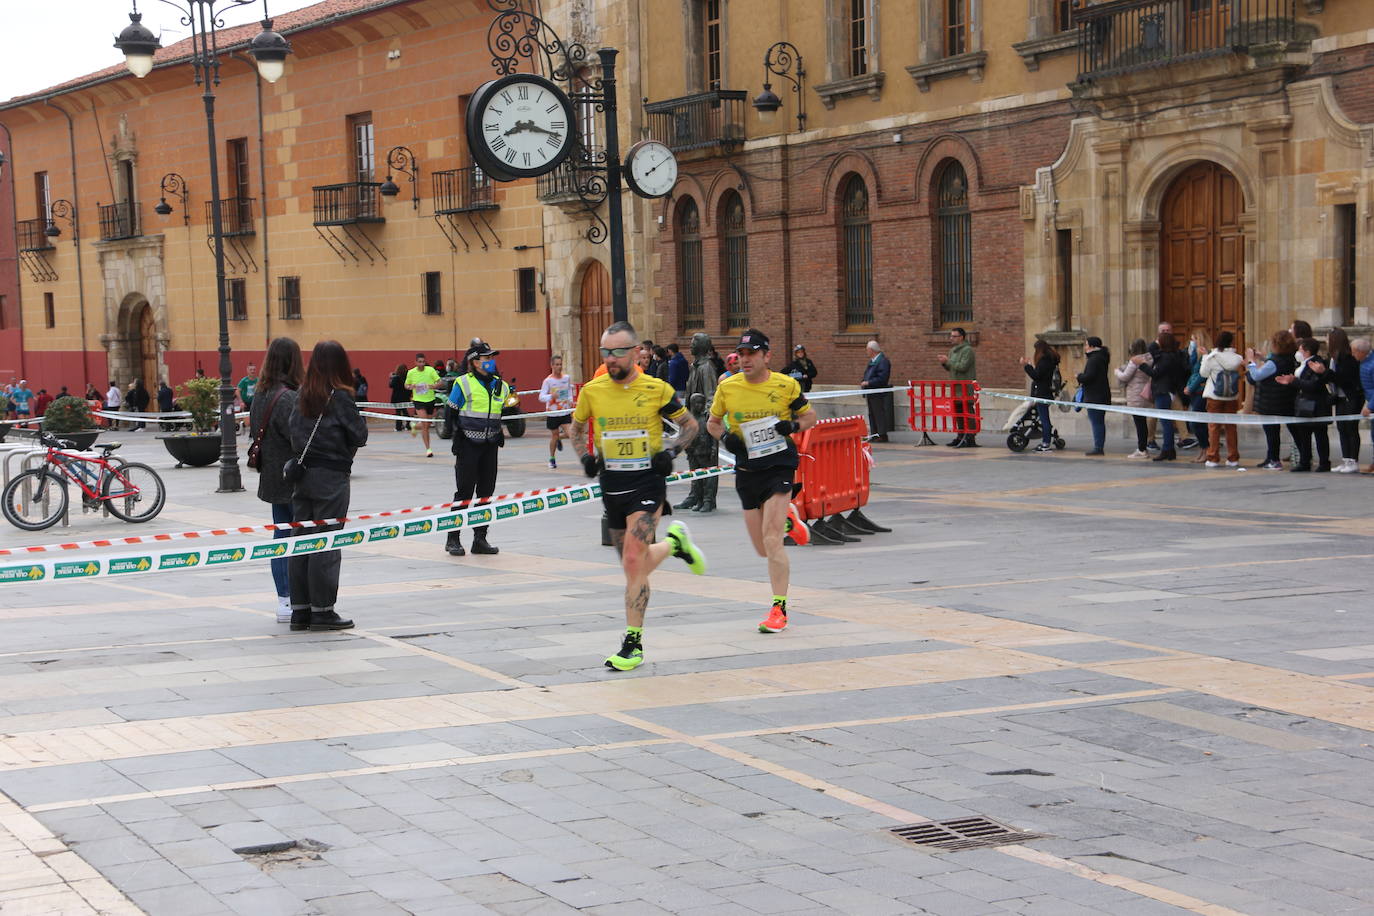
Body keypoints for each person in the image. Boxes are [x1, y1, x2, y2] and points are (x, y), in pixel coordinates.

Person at [571, 320, 706, 671]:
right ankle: (674, 546)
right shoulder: (593, 390)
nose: (611, 358)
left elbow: (691, 426)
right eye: (606, 351)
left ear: (635, 353)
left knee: (633, 561)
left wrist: (671, 452)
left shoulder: (656, 389)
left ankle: (633, 643)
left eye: (617, 351)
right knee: (635, 566)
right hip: (612, 485)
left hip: (647, 484)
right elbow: (576, 427)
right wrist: (585, 458)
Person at [710, 328, 818, 633]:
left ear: (766, 356)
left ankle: (778, 609)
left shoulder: (785, 385)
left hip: (779, 466)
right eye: (741, 354)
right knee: (761, 548)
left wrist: (791, 425)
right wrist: (728, 440)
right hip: (747, 470)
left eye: (751, 354)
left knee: (772, 542)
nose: (745, 359)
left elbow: (811, 418)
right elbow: (712, 424)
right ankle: (788, 521)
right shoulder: (728, 388)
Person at [287, 340, 367, 631]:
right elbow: (359, 435)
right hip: (331, 477)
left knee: (300, 541)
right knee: (326, 542)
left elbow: (292, 433)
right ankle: (323, 610)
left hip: (303, 475)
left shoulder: (301, 395)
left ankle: (300, 610)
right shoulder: (340, 397)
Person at [249, 337, 303, 624]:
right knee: (296, 539)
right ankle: (291, 598)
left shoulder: (261, 393)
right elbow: (299, 438)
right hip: (291, 477)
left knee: (280, 536)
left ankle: (284, 597)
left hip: (271, 474)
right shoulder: (289, 397)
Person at [443, 339, 509, 557]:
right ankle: (452, 539)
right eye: (486, 358)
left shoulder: (500, 384)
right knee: (464, 493)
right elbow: (450, 413)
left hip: (490, 445)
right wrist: (456, 438)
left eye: (492, 358)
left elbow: (505, 410)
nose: (491, 361)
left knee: (485, 494)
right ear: (474, 362)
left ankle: (480, 538)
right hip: (468, 445)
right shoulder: (463, 383)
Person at [675, 332, 721, 514]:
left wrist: (709, 423)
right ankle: (696, 494)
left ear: (702, 346)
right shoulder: (695, 366)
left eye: (694, 343)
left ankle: (708, 498)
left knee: (708, 461)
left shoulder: (706, 367)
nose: (690, 345)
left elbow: (711, 396)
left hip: (703, 423)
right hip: (691, 421)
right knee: (693, 459)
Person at [1246, 330, 1298, 470]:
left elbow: (1256, 376)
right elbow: (1273, 365)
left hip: (1271, 401)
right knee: (1290, 430)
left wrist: (1251, 361)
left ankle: (1274, 460)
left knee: (1271, 431)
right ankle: (1272, 457)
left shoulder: (1274, 362)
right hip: (1285, 399)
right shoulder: (1289, 358)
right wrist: (1262, 358)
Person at [1278, 337, 1332, 472]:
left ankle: (1324, 462)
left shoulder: (1316, 363)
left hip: (1316, 404)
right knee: (1304, 434)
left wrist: (1293, 381)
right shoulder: (1301, 364)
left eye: (1300, 349)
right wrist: (1290, 381)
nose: (1298, 352)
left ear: (1307, 351)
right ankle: (1304, 461)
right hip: (1303, 403)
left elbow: (1313, 385)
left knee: (1320, 434)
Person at [1137, 331, 1186, 462]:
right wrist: (1156, 342)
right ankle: (1169, 450)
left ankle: (1167, 449)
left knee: (1166, 422)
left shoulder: (1166, 358)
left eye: (1159, 340)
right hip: (1165, 390)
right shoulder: (1169, 355)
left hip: (1163, 391)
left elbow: (1155, 373)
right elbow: (1152, 349)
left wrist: (1141, 365)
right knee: (1166, 421)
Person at [1200, 330, 1244, 468]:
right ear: (1231, 342)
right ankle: (1233, 457)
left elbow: (1203, 373)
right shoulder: (1237, 358)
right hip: (1231, 396)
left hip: (1214, 395)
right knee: (1231, 427)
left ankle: (1213, 457)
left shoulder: (1212, 357)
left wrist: (1204, 357)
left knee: (1214, 427)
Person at [1327, 328, 1363, 473]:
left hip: (1351, 397)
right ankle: (1346, 459)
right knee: (1341, 428)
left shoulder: (1348, 358)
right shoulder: (1334, 358)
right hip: (1340, 397)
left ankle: (1353, 460)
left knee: (1351, 428)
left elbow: (1345, 379)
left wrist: (1326, 373)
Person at [939, 328, 977, 447]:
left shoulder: (968, 350)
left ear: (961, 337)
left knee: (967, 411)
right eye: (951, 336)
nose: (951, 338)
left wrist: (948, 361)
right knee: (958, 412)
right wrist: (944, 363)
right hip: (955, 387)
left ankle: (970, 436)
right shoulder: (952, 351)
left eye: (954, 336)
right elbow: (951, 368)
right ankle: (960, 435)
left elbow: (963, 367)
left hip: (965, 387)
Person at [1020, 340, 1060, 453]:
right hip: (1046, 392)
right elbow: (1041, 374)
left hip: (1043, 393)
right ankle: (1046, 441)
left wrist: (1026, 366)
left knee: (1044, 419)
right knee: (1044, 418)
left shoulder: (1044, 360)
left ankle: (1046, 443)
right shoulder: (1051, 360)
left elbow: (1036, 376)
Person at [538, 354, 574, 469]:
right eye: (557, 364)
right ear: (552, 366)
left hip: (564, 411)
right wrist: (551, 396)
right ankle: (552, 459)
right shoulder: (548, 381)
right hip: (553, 413)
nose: (559, 367)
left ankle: (560, 439)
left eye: (561, 364)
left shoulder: (566, 378)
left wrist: (570, 401)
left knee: (570, 433)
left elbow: (569, 392)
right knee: (554, 435)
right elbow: (541, 397)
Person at [1077, 337, 1111, 455]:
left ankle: (1098, 447)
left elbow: (1089, 377)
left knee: (1096, 422)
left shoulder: (1094, 359)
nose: (1085, 348)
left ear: (1091, 346)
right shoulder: (1102, 357)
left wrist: (1079, 376)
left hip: (1094, 396)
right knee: (1099, 421)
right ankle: (1099, 446)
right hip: (1101, 394)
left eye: (1086, 345)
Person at [1181, 331, 1211, 460]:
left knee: (1197, 423)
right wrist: (1192, 352)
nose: (1191, 343)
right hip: (1194, 390)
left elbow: (1201, 374)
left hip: (1200, 391)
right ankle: (1203, 450)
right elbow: (1191, 369)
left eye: (1193, 340)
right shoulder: (1196, 355)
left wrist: (1191, 387)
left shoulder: (1206, 356)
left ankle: (1206, 449)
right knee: (1197, 423)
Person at [405, 352, 442, 458]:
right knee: (425, 425)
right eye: (419, 362)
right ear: (415, 362)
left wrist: (432, 386)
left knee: (428, 424)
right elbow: (406, 385)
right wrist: (410, 387)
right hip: (418, 400)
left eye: (423, 362)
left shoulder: (430, 370)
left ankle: (414, 426)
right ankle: (428, 449)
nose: (421, 364)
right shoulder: (411, 373)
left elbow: (440, 382)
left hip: (430, 400)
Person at [860, 340, 892, 442]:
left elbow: (882, 378)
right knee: (872, 413)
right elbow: (867, 374)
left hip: (877, 391)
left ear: (871, 350)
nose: (867, 352)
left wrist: (869, 382)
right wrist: (864, 381)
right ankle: (874, 433)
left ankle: (882, 434)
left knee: (879, 413)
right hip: (870, 392)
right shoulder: (872, 361)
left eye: (867, 350)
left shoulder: (883, 361)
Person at [1357, 338, 1374, 473]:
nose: (1352, 355)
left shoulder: (1371, 364)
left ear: (1361, 352)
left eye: (1354, 352)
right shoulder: (1365, 362)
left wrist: (1370, 406)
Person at [387, 363, 410, 432]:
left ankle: (398, 426)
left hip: (397, 398)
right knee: (405, 411)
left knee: (398, 412)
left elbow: (391, 385)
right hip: (405, 397)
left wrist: (391, 378)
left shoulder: (396, 378)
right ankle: (408, 424)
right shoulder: (407, 377)